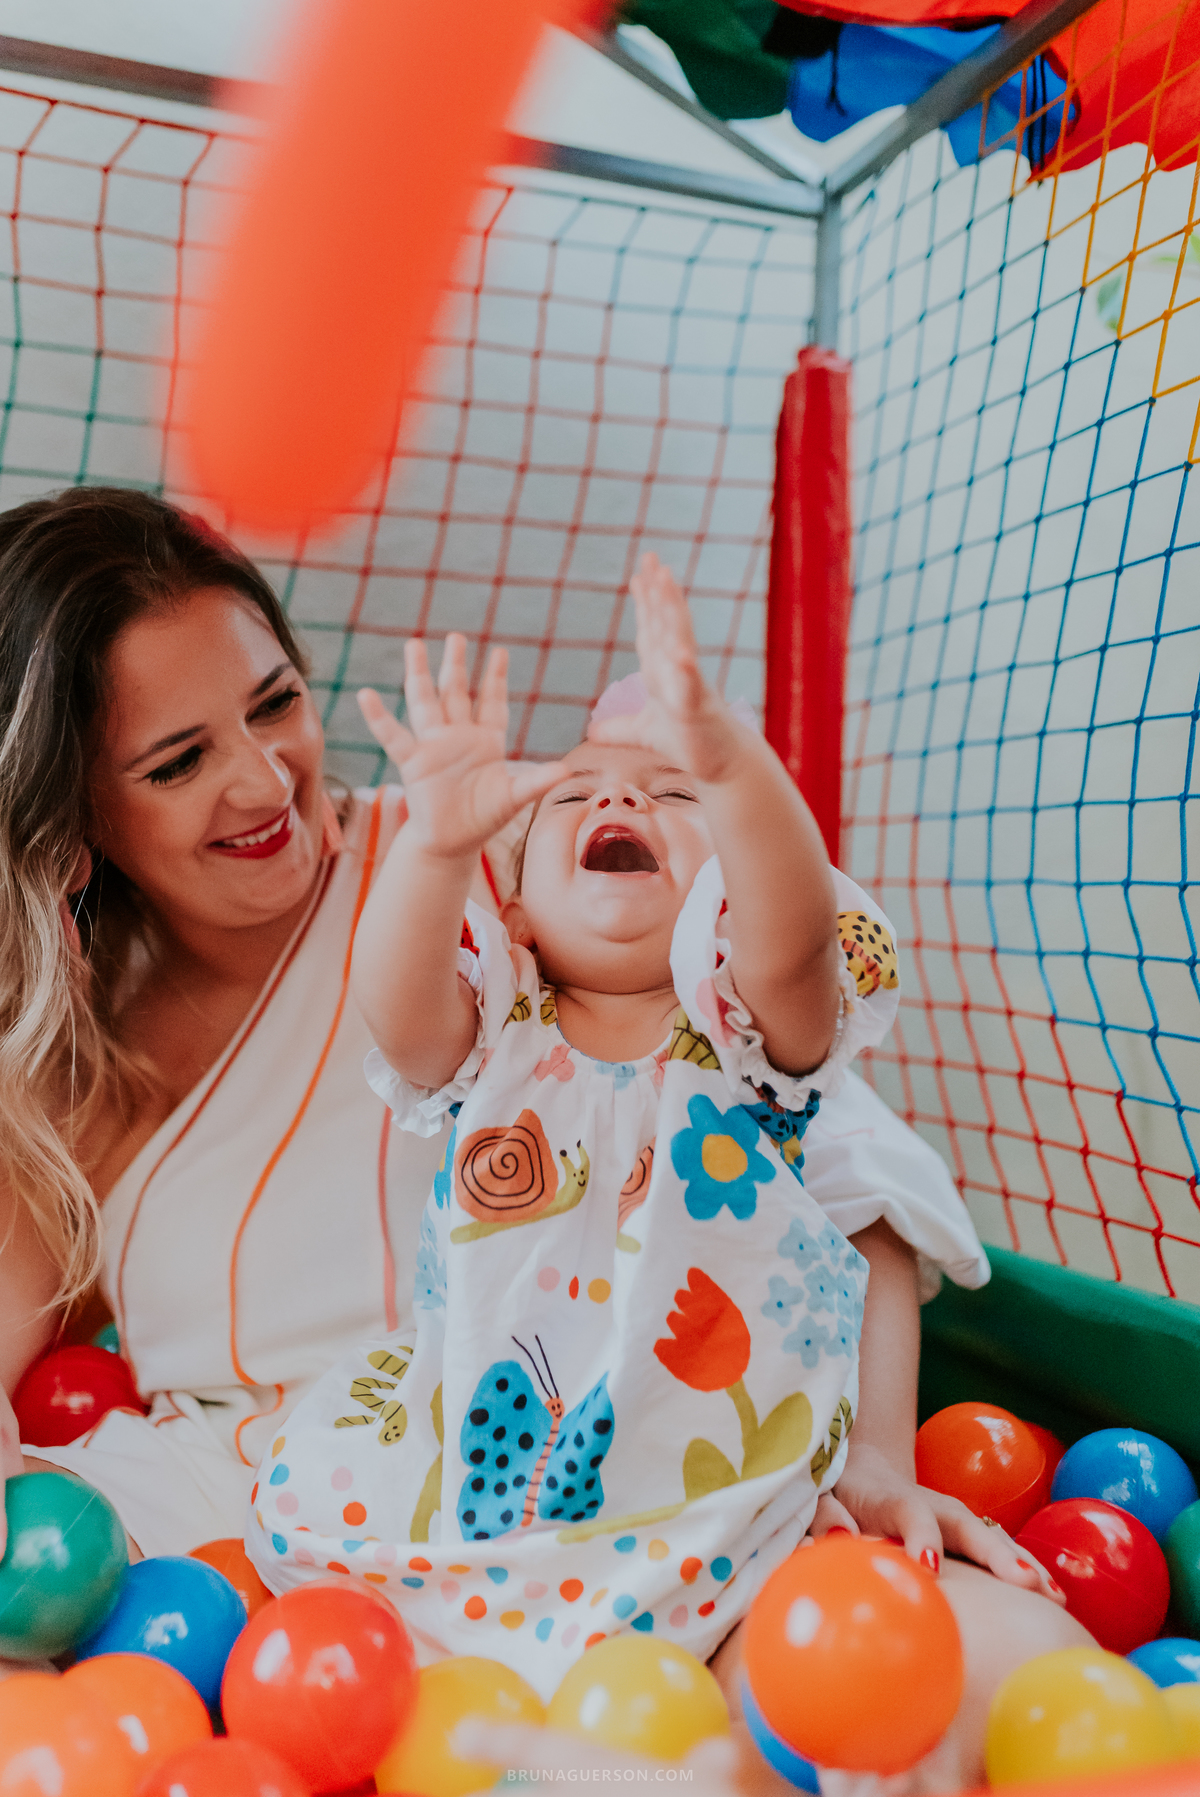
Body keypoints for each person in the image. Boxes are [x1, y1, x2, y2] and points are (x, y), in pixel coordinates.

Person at [0, 488, 989, 1593]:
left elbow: (821, 1143)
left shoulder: (503, 875)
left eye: (275, 703)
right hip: (237, 1524)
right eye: (177, 762)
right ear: (74, 813)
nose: (264, 780)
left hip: (591, 1490)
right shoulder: (65, 1047)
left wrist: (872, 1458)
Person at [245, 557, 1084, 1792]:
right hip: (491, 1499)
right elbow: (397, 1009)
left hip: (718, 1501)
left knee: (837, 1692)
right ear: (518, 916)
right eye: (574, 794)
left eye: (667, 791)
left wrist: (737, 767)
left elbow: (794, 942)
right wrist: (433, 845)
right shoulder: (496, 1043)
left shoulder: (750, 1042)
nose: (617, 797)